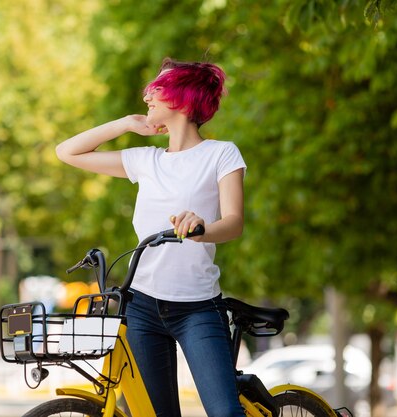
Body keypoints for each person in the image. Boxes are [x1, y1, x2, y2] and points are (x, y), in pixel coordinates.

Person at [55, 57, 246, 417]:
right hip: (141, 308)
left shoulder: (220, 154)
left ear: (184, 99)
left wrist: (202, 228)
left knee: (225, 412)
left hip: (198, 308)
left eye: (157, 89)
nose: (147, 98)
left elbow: (234, 222)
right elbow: (66, 152)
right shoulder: (145, 160)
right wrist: (125, 124)